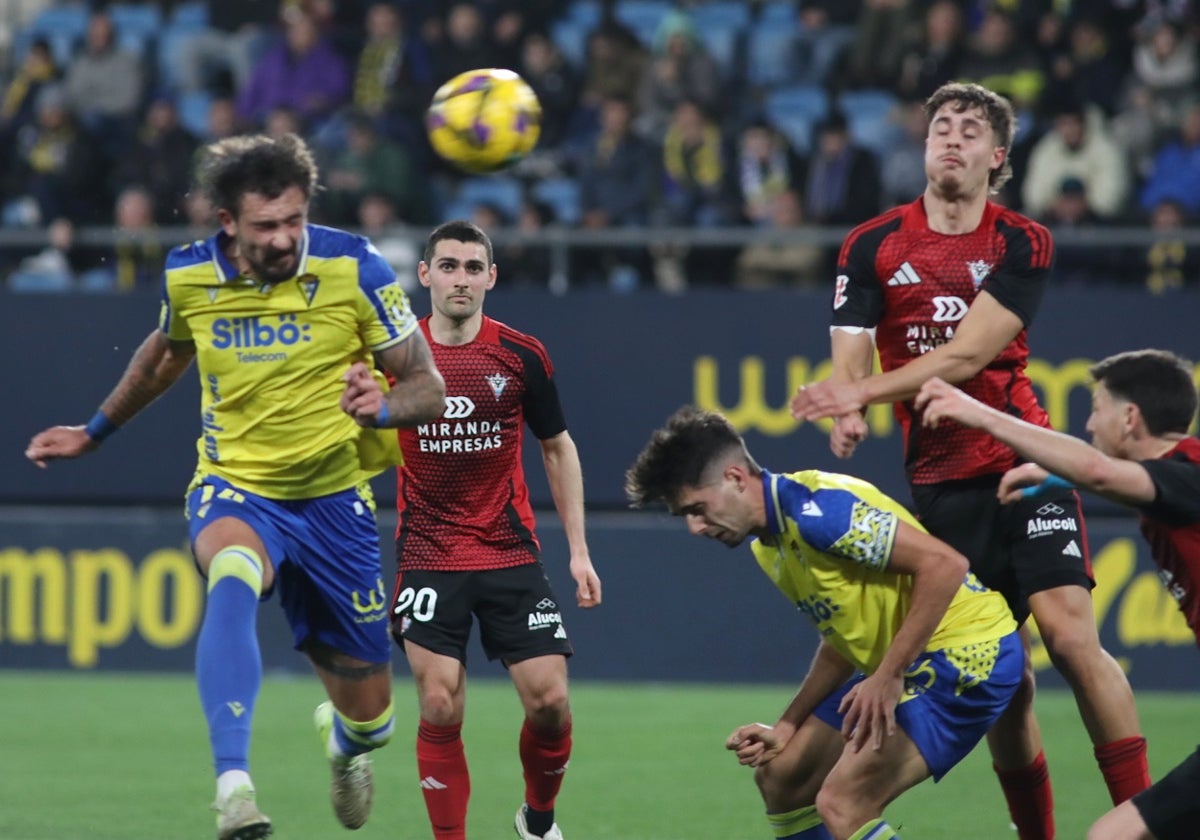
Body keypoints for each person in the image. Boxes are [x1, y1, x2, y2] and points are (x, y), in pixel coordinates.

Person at [24, 132, 446, 840]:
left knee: (372, 718)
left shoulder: (355, 267)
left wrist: (380, 405)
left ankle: (345, 746)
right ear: (227, 222)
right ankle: (234, 789)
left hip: (336, 500)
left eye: (293, 221)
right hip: (236, 486)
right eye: (265, 226)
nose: (283, 239)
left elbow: (428, 387)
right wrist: (94, 431)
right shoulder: (189, 277)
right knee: (231, 572)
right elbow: (163, 358)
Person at [789, 82, 1149, 840]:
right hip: (941, 481)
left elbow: (969, 353)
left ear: (998, 157)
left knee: (1070, 635)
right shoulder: (870, 245)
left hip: (1023, 462)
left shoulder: (1022, 241)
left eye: (969, 130)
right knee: (1008, 686)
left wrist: (856, 393)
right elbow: (850, 359)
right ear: (924, 148)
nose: (950, 139)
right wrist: (848, 410)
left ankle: (1146, 819)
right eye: (939, 128)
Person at [624, 406, 1022, 840]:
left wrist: (888, 674)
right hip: (911, 660)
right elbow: (842, 637)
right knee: (783, 776)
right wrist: (788, 725)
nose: (695, 527)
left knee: (842, 803)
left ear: (736, 479)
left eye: (697, 508)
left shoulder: (821, 511)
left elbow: (945, 565)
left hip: (969, 651)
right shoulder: (768, 543)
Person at [365, 220, 602, 840]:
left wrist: (579, 551)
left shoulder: (520, 354)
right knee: (439, 702)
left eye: (473, 267)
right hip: (427, 551)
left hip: (506, 549)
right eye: (448, 266)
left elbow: (557, 447)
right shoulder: (395, 357)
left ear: (491, 278)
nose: (460, 278)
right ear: (424, 276)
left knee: (550, 704)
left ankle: (538, 819)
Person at [913, 348, 1200, 840]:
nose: (1089, 425)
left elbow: (1102, 472)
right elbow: (1121, 479)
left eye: (1097, 409)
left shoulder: (1187, 476)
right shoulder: (1179, 477)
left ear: (1130, 418)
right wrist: (1055, 474)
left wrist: (978, 413)